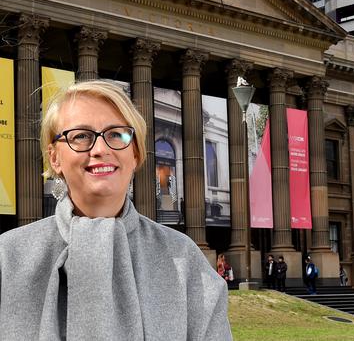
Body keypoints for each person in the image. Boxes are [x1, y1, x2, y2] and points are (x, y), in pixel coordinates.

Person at [0, 80, 231, 340]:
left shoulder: (184, 260)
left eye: (116, 134)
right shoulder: (7, 257)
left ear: (135, 153)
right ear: (55, 158)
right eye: (81, 136)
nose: (100, 149)